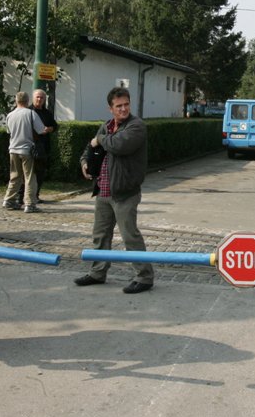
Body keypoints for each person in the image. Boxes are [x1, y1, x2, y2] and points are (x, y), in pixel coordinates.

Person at [74, 87, 154, 294]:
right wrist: (84, 162)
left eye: (126, 104)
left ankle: (144, 277)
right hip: (103, 191)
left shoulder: (136, 126)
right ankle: (97, 272)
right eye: (119, 106)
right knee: (100, 235)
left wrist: (100, 139)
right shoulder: (106, 126)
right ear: (110, 108)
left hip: (125, 192)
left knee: (130, 236)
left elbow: (119, 145)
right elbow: (89, 148)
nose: (123, 109)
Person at [3, 91, 52, 213]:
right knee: (30, 177)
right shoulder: (31, 113)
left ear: (16, 101)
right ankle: (29, 204)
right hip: (27, 150)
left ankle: (8, 200)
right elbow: (41, 130)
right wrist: (47, 129)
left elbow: (9, 131)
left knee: (15, 176)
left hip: (13, 149)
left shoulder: (10, 115)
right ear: (27, 101)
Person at [17, 89, 59, 205]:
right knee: (26, 174)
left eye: (41, 97)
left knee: (40, 173)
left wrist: (50, 129)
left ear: (44, 99)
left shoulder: (47, 113)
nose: (39, 99)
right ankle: (20, 197)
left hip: (43, 147)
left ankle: (35, 195)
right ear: (33, 98)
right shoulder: (28, 111)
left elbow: (55, 126)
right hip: (29, 146)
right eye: (37, 97)